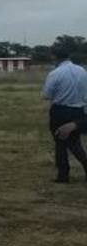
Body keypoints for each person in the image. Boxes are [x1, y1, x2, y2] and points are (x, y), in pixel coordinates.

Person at [40, 45, 87, 183]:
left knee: (60, 143)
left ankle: (63, 175)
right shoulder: (82, 71)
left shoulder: (55, 73)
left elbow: (46, 95)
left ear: (54, 56)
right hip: (79, 111)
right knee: (74, 142)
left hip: (60, 111)